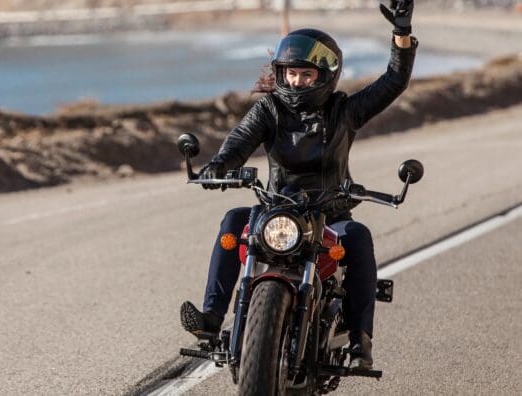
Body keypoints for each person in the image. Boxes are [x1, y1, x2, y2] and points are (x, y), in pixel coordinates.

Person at [179, 0, 417, 370]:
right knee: (232, 222)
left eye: (306, 75)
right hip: (278, 209)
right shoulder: (269, 109)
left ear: (325, 76)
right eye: (290, 74)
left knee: (358, 237)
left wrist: (401, 34)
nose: (296, 81)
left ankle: (359, 339)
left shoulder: (344, 111)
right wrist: (217, 166)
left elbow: (394, 81)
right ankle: (212, 319)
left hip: (330, 212)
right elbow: (240, 141)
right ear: (280, 73)